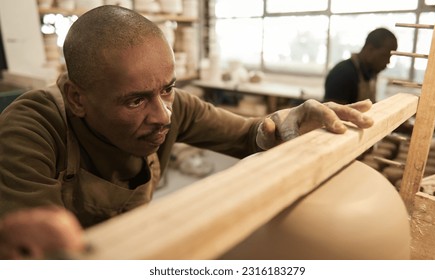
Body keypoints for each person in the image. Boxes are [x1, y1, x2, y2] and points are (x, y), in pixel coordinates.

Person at [0, 5, 373, 257]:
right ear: (77, 99)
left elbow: (247, 135)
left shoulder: (174, 109)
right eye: (135, 101)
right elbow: (42, 250)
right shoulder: (32, 128)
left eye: (167, 88)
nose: (163, 115)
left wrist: (285, 126)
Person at [324, 28, 397, 104]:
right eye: (385, 56)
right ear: (370, 50)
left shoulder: (370, 72)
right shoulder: (342, 73)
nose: (388, 62)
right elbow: (332, 112)